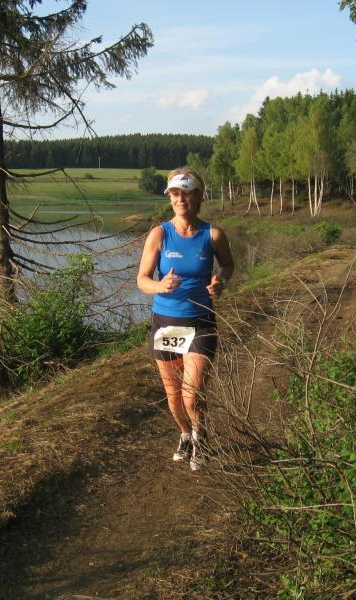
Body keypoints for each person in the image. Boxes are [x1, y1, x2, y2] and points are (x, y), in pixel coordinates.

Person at [137, 167, 234, 471]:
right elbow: (142, 279)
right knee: (174, 397)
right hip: (166, 323)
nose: (180, 199)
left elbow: (228, 265)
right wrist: (159, 286)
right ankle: (184, 434)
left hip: (200, 322)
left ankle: (200, 437)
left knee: (192, 395)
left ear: (198, 196)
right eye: (175, 194)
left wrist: (220, 281)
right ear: (170, 198)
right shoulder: (159, 234)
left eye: (186, 193)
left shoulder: (213, 234)